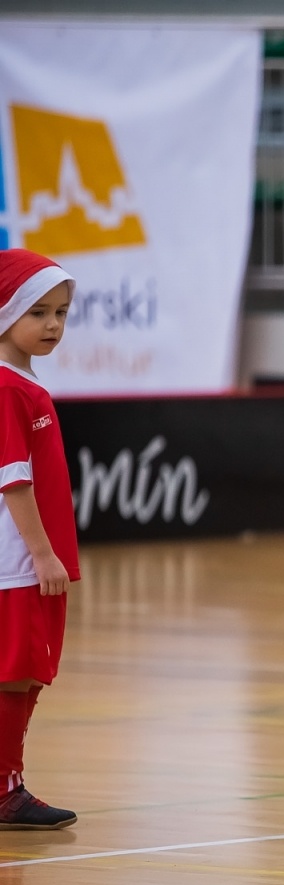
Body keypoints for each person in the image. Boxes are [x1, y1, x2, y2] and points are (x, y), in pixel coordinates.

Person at [0, 249, 78, 830]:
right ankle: (6, 790)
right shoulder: (7, 388)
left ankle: (9, 781)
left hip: (27, 560)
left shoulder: (24, 382)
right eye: (38, 311)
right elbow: (13, 479)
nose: (52, 324)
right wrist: (42, 553)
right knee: (14, 671)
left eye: (61, 312)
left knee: (25, 672)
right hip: (16, 562)